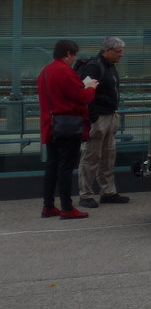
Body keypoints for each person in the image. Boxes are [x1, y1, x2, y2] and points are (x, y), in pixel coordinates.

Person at [37, 39, 98, 219]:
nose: (74, 59)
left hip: (50, 125)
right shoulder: (65, 72)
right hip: (67, 126)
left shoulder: (45, 72)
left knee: (52, 166)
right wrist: (92, 88)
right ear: (69, 54)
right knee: (66, 167)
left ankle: (48, 206)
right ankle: (67, 207)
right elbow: (81, 97)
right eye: (74, 55)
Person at [77, 36, 131, 207]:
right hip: (99, 117)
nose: (121, 55)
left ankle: (108, 191)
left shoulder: (109, 66)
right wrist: (92, 117)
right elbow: (85, 92)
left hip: (109, 115)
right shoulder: (94, 66)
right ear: (106, 51)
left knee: (108, 155)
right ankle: (86, 194)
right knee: (92, 156)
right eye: (118, 52)